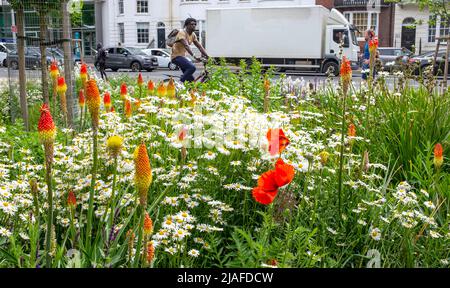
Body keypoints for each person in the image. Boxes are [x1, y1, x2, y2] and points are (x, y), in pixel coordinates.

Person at [171, 18, 209, 83]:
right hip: (176, 57)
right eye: (191, 24)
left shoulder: (193, 35)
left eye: (195, 24)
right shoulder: (182, 33)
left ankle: (187, 91)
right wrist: (194, 56)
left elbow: (199, 46)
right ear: (186, 25)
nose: (194, 25)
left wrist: (207, 56)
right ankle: (179, 84)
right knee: (192, 67)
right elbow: (186, 46)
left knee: (191, 81)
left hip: (183, 57)